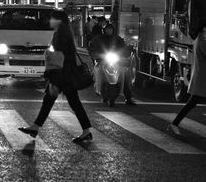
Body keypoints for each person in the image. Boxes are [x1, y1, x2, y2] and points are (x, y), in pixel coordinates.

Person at [18, 10, 92, 143]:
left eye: (52, 18)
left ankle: (36, 127)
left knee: (54, 100)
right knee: (66, 102)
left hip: (62, 75)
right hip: (66, 74)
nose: (50, 20)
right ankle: (86, 131)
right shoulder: (65, 33)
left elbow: (58, 59)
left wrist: (53, 79)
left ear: (59, 20)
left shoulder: (60, 35)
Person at [168, 25, 206, 135]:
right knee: (192, 102)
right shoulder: (202, 40)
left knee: (192, 103)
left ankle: (174, 123)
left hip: (202, 78)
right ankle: (174, 123)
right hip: (202, 78)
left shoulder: (201, 38)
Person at [89, 23, 136, 106]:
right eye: (107, 29)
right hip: (102, 61)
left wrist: (126, 52)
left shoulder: (118, 39)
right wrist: (97, 55)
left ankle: (128, 97)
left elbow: (124, 48)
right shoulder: (98, 39)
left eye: (110, 29)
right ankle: (98, 89)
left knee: (125, 74)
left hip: (116, 62)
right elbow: (92, 48)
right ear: (104, 30)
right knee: (97, 72)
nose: (109, 31)